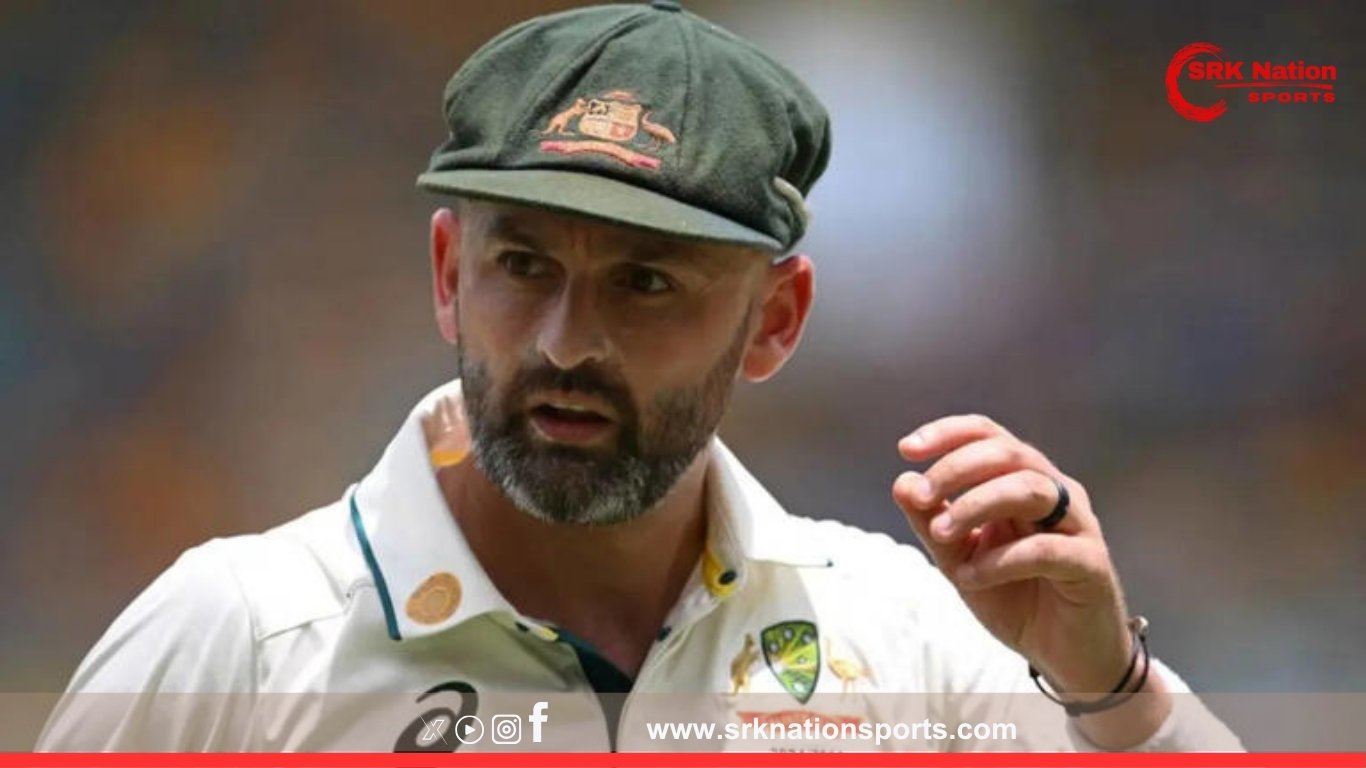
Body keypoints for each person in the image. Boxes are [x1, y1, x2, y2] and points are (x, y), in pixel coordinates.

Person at [39, 0, 1241, 753]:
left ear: (775, 321)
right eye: (524, 266)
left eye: (646, 283)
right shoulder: (244, 642)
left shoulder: (905, 641)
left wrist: (1109, 691)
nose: (567, 342)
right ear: (450, 274)